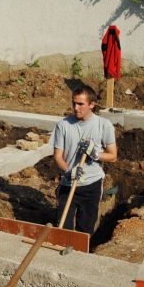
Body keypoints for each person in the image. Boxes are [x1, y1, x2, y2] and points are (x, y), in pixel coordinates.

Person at [51, 85, 117, 235]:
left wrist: (95, 154)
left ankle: (81, 256)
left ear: (92, 105)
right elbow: (57, 156)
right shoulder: (63, 125)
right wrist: (68, 171)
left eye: (80, 104)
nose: (76, 107)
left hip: (91, 185)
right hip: (68, 183)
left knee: (85, 230)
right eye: (73, 103)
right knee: (63, 228)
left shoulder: (104, 125)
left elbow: (113, 156)